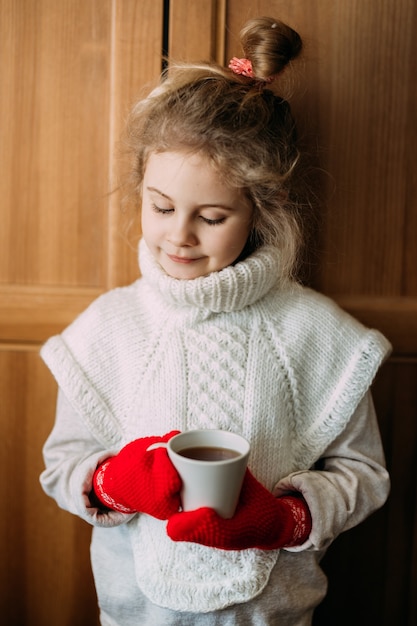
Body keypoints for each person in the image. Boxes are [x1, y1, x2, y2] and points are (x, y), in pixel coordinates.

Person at [40, 16, 391, 626]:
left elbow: (364, 474)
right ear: (141, 189)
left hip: (271, 614)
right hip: (134, 611)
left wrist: (289, 518)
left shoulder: (315, 333)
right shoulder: (110, 328)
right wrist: (116, 483)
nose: (179, 234)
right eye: (161, 206)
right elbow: (63, 465)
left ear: (260, 211)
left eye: (212, 216)